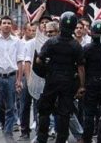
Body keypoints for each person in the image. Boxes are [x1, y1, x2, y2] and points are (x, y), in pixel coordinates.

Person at [35, 12, 86, 143]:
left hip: (52, 80)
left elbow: (39, 60)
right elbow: (81, 68)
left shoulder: (52, 42)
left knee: (44, 110)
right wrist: (81, 86)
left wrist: (47, 66)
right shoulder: (76, 45)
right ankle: (61, 140)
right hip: (67, 82)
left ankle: (42, 139)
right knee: (64, 113)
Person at [0, 16, 24, 142]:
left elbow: (20, 60)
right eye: (4, 23)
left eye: (9, 23)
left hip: (10, 76)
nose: (6, 25)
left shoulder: (17, 41)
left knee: (11, 106)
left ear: (12, 25)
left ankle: (8, 133)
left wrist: (19, 80)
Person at [82, 20, 101, 143]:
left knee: (89, 114)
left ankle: (87, 139)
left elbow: (82, 67)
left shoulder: (87, 48)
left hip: (91, 84)